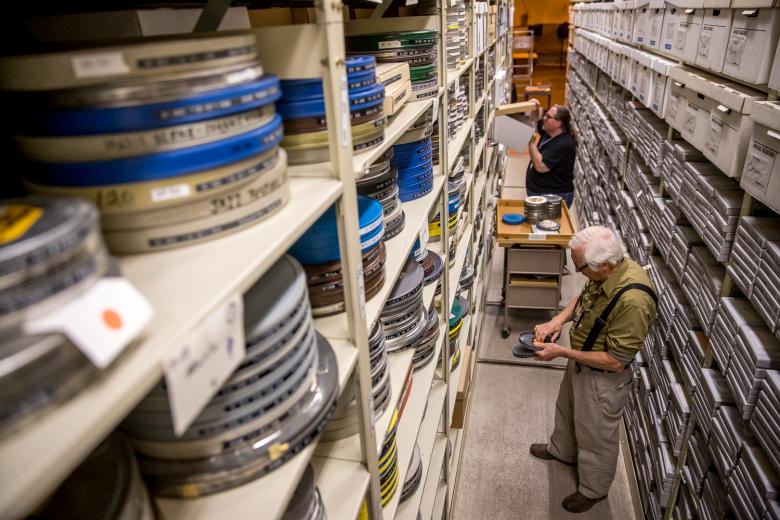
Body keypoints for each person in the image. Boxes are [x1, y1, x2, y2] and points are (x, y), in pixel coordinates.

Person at [528, 226, 658, 513]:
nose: (576, 271)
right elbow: (584, 297)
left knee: (596, 435)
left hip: (603, 378)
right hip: (582, 358)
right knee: (567, 409)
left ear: (603, 265)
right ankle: (561, 451)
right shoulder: (608, 271)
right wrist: (557, 321)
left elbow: (616, 360)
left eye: (579, 266)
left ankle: (593, 489)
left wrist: (562, 351)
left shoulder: (634, 301)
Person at [526, 104, 577, 207]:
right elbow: (536, 121)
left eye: (548, 117)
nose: (544, 118)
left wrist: (531, 143)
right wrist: (532, 106)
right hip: (542, 193)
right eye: (545, 114)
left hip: (554, 197)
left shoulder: (563, 144)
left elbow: (541, 167)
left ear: (558, 123)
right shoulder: (549, 129)